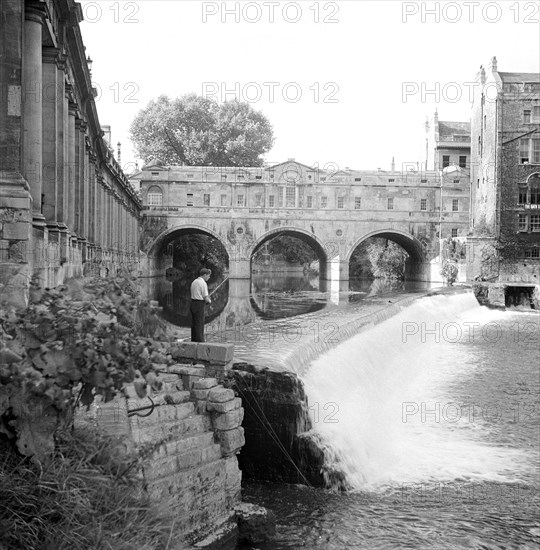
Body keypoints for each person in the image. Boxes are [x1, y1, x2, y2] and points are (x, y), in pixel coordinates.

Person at [190, 268, 212, 342]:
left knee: (194, 323)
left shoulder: (194, 281)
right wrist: (209, 301)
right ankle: (200, 340)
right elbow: (206, 297)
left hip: (192, 303)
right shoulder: (203, 283)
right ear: (205, 275)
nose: (209, 277)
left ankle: (194, 339)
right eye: (208, 276)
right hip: (199, 304)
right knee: (199, 322)